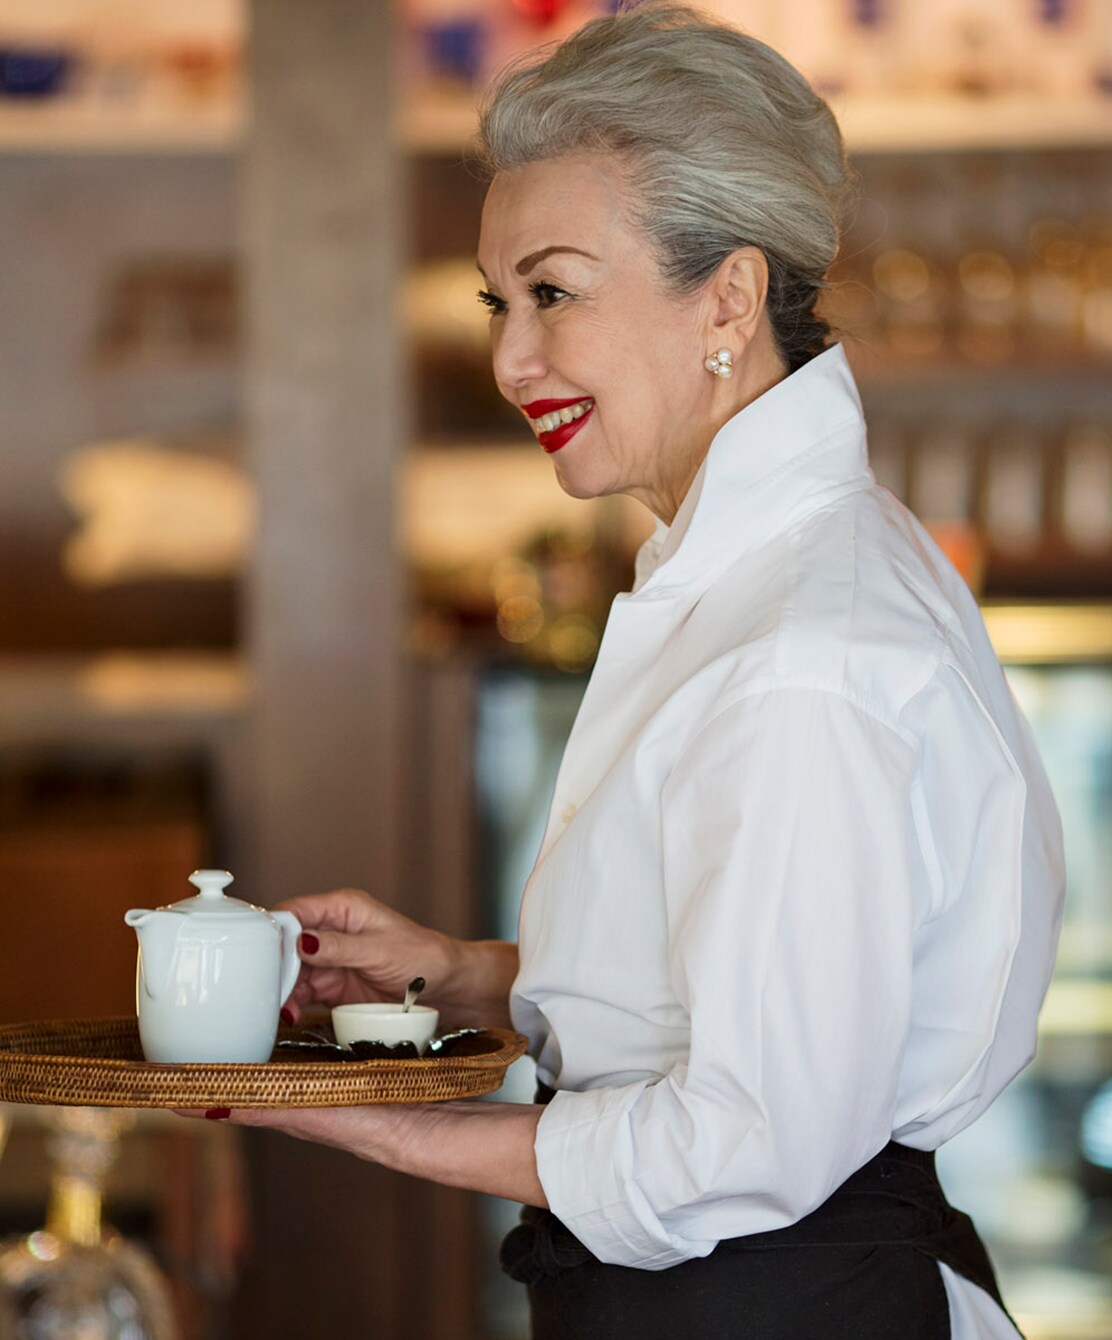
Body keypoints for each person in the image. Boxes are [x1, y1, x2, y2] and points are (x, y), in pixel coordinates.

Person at [206, 6, 1065, 1337]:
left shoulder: (799, 650)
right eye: (501, 303)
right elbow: (751, 976)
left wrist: (377, 1122)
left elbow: (748, 1140)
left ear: (726, 295)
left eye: (553, 293)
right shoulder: (769, 566)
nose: (509, 359)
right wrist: (469, 978)